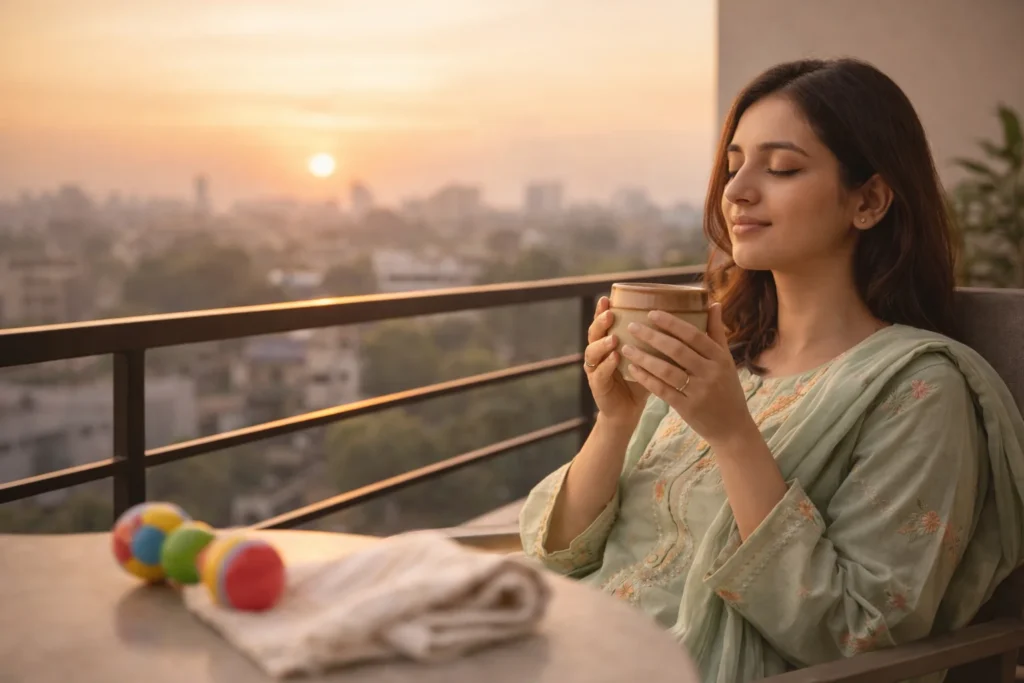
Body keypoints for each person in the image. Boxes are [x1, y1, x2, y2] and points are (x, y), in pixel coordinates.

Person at [518, 57, 1024, 682]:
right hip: (574, 641)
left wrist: (733, 435)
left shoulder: (920, 391)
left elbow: (856, 632)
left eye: (781, 168)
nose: (736, 191)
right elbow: (560, 553)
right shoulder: (722, 363)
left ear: (868, 200)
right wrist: (616, 420)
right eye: (733, 166)